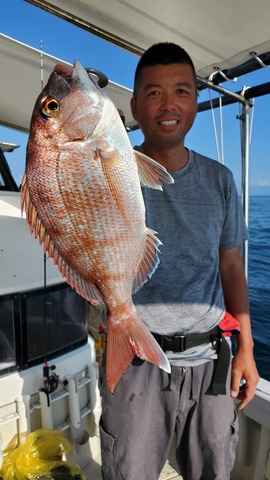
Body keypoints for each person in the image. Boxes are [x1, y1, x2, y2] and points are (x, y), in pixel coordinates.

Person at [98, 42, 259, 480]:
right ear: (133, 105)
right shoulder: (109, 174)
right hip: (133, 361)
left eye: (182, 91)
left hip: (211, 361)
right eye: (153, 93)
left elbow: (230, 267)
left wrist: (245, 346)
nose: (168, 105)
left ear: (196, 99)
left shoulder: (221, 181)